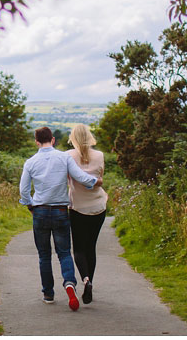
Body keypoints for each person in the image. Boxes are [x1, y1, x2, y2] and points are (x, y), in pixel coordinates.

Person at [19, 126, 103, 311]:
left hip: (40, 211)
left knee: (44, 255)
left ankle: (48, 294)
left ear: (36, 142)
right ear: (53, 140)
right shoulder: (64, 157)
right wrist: (95, 182)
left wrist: (30, 205)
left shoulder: (30, 162)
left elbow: (24, 190)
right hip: (60, 211)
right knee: (64, 252)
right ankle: (70, 284)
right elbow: (80, 176)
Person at [66, 123, 108, 305]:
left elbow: (67, 179)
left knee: (78, 249)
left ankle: (85, 280)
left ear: (73, 138)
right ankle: (91, 281)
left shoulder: (68, 156)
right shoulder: (99, 155)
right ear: (89, 136)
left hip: (77, 208)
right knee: (91, 247)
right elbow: (101, 178)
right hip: (98, 207)